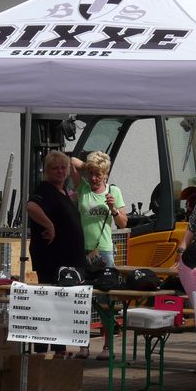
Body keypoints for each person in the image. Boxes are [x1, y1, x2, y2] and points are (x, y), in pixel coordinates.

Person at [26, 151, 85, 357]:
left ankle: (60, 350)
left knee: (61, 306)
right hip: (52, 260)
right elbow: (31, 206)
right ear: (47, 171)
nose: (60, 171)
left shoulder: (64, 192)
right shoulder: (46, 190)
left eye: (63, 168)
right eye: (55, 168)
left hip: (68, 260)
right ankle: (42, 352)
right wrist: (49, 225)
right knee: (48, 305)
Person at [71, 150, 127, 359]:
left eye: (98, 174)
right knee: (81, 299)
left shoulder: (114, 191)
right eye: (91, 174)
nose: (94, 178)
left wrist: (113, 208)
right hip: (83, 251)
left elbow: (123, 223)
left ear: (106, 174)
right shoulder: (83, 188)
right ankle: (83, 346)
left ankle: (107, 347)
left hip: (103, 251)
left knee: (105, 300)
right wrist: (90, 165)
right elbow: (71, 161)